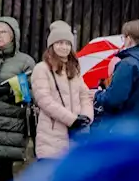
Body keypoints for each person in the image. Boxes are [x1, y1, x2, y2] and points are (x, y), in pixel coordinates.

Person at [0, 16, 37, 181]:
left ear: (13, 35)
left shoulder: (26, 61)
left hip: (11, 122)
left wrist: (9, 91)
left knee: (5, 169)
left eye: (2, 32)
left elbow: (31, 91)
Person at [32, 21, 94, 160]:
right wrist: (72, 120)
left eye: (67, 43)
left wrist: (86, 117)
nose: (64, 47)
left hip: (76, 137)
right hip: (51, 136)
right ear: (51, 45)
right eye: (59, 43)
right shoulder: (42, 68)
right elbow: (44, 100)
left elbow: (85, 95)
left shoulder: (74, 70)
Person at [95, 20, 139, 123]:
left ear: (128, 39)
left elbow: (114, 99)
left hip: (126, 130)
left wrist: (97, 95)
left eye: (123, 38)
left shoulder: (128, 64)